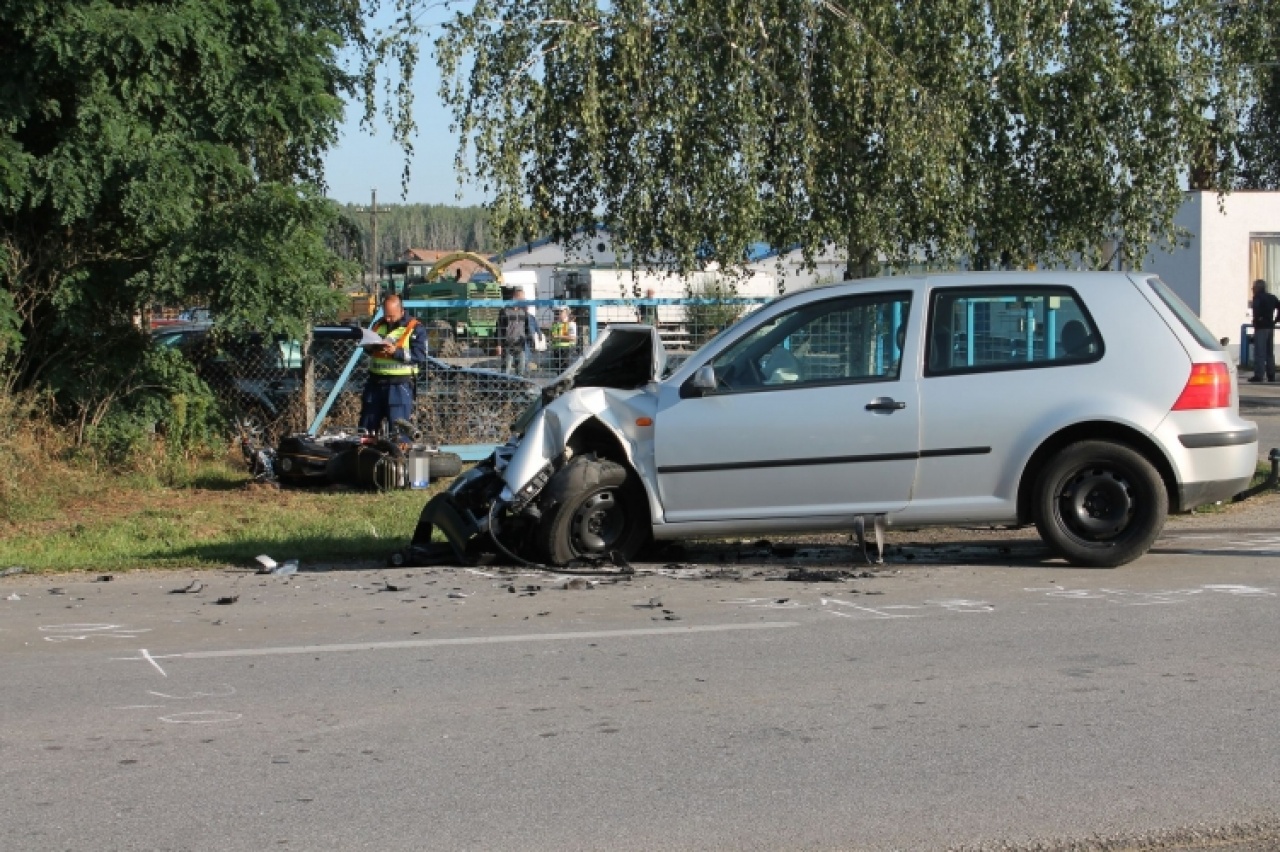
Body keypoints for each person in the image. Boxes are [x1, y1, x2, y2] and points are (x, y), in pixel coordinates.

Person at [359, 294, 428, 436]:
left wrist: (396, 352)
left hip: (399, 387)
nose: (388, 319)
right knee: (366, 431)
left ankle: (400, 458)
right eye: (386, 315)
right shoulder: (378, 325)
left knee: (400, 434)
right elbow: (367, 347)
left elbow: (420, 355)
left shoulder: (414, 328)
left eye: (392, 316)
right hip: (375, 385)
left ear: (402, 311)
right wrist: (371, 348)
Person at [496, 287, 540, 376]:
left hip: (520, 345)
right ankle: (505, 388)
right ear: (515, 298)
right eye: (522, 298)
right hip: (507, 344)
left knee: (521, 370)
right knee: (506, 370)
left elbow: (526, 328)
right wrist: (499, 345)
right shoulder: (505, 311)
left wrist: (532, 341)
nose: (524, 300)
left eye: (524, 298)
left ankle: (519, 388)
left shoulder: (523, 312)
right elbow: (499, 329)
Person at [1249, 279, 1278, 383]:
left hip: (1261, 327)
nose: (1252, 289)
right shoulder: (1272, 297)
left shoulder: (1257, 297)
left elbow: (1256, 311)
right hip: (1270, 326)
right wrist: (1276, 320)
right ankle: (1271, 375)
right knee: (1269, 352)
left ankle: (1259, 375)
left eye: (1254, 287)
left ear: (1258, 288)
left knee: (1260, 352)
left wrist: (1256, 320)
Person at [549, 306, 578, 372]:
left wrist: (559, 336)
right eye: (558, 312)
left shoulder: (570, 324)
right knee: (558, 370)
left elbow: (573, 338)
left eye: (561, 311)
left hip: (567, 349)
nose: (559, 313)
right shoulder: (555, 324)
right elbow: (551, 337)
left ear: (566, 313)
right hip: (556, 349)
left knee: (566, 370)